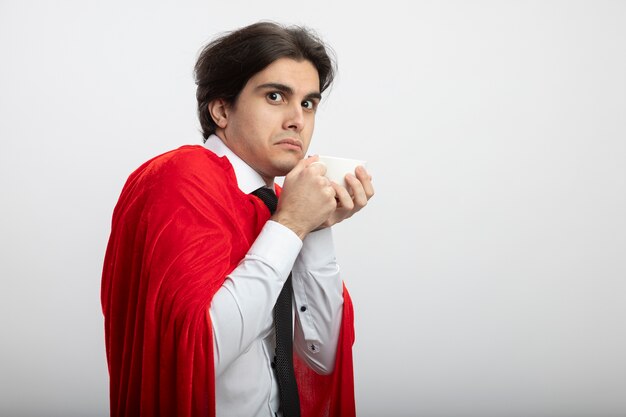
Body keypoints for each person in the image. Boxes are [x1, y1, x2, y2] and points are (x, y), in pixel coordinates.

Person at [101, 21, 374, 417]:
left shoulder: (280, 204)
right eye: (276, 96)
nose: (297, 120)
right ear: (221, 109)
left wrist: (313, 228)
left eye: (308, 103)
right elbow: (197, 354)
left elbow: (322, 358)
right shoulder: (181, 176)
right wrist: (292, 225)